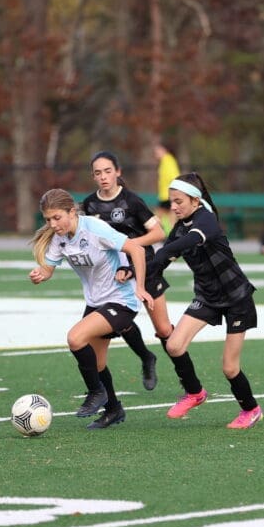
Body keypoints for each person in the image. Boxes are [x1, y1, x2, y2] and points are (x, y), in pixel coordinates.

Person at [28, 189, 153, 430]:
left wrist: (139, 286)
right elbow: (48, 269)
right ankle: (114, 409)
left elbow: (136, 250)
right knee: (97, 364)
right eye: (48, 219)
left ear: (71, 212)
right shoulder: (59, 237)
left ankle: (97, 392)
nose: (52, 224)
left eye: (57, 218)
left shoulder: (95, 229)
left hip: (121, 300)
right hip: (96, 302)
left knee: (75, 338)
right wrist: (39, 274)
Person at [147, 173, 263, 429]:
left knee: (230, 368)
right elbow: (161, 260)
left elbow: (186, 242)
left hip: (236, 298)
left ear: (195, 201)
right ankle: (195, 393)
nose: (173, 207)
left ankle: (251, 409)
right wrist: (135, 273)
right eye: (171, 201)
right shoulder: (180, 227)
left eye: (178, 201)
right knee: (174, 346)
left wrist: (166, 251)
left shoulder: (206, 220)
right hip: (208, 297)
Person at [81, 151, 173, 391]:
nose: (103, 177)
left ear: (118, 172)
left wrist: (128, 246)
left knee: (164, 329)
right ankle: (146, 358)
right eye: (98, 173)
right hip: (115, 274)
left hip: (145, 267)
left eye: (108, 171)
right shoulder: (89, 205)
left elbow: (158, 233)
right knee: (119, 321)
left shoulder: (131, 201)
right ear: (93, 176)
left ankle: (186, 378)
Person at [153, 142, 180, 229]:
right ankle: (172, 235)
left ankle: (164, 235)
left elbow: (174, 177)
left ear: (164, 150)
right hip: (166, 196)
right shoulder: (166, 161)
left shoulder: (167, 161)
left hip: (167, 196)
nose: (156, 152)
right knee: (169, 220)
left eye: (158, 150)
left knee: (155, 220)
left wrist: (174, 194)